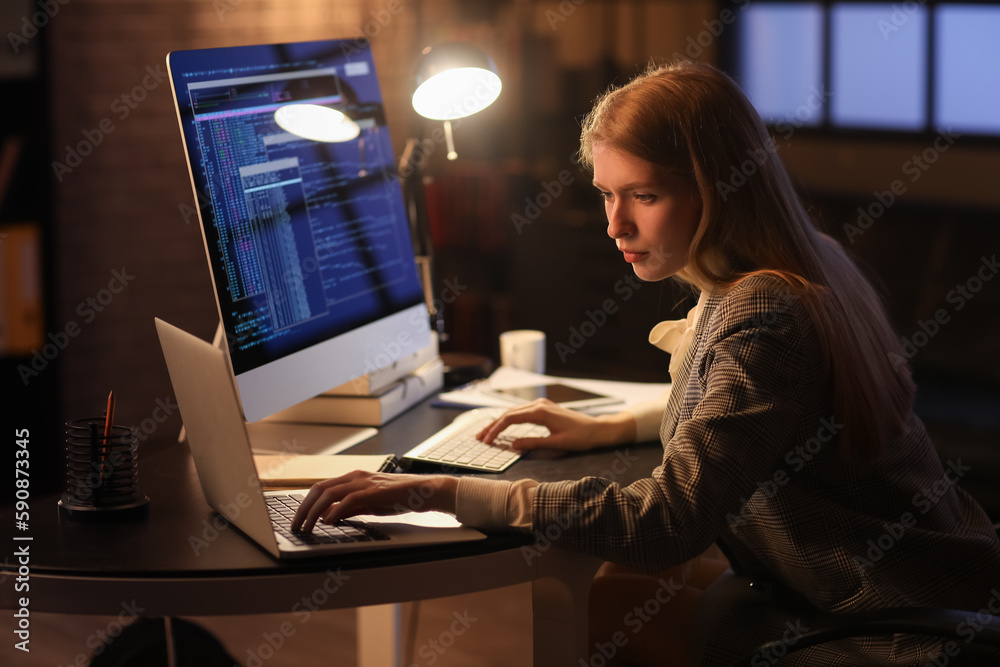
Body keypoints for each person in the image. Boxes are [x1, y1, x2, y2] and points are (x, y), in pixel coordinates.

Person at [292, 61, 1000, 666]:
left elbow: (667, 521)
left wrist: (439, 494)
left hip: (893, 633)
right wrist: (603, 426)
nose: (614, 224)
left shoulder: (764, 314)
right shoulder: (803, 261)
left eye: (645, 196)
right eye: (606, 193)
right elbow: (757, 412)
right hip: (938, 585)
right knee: (619, 588)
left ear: (716, 190)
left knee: (616, 598)